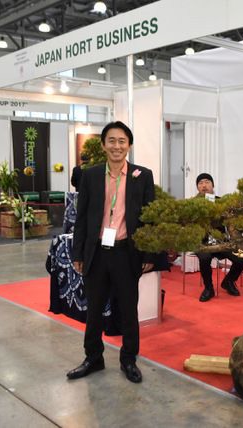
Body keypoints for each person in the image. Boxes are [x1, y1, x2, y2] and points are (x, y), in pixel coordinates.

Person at [67, 121, 155, 384]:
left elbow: (150, 218)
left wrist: (149, 254)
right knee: (93, 309)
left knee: (128, 309)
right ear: (104, 144)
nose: (117, 146)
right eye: (112, 140)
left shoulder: (143, 175)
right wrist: (78, 254)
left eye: (122, 141)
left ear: (129, 145)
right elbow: (82, 218)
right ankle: (93, 357)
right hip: (97, 252)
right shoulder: (91, 175)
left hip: (126, 252)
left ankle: (129, 359)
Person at [194, 173, 243, 302]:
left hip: (221, 241)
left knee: (242, 259)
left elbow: (232, 222)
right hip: (202, 242)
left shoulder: (222, 202)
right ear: (197, 187)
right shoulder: (191, 204)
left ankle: (228, 281)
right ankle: (208, 288)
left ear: (213, 185)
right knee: (205, 258)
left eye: (207, 182)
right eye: (200, 183)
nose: (204, 185)